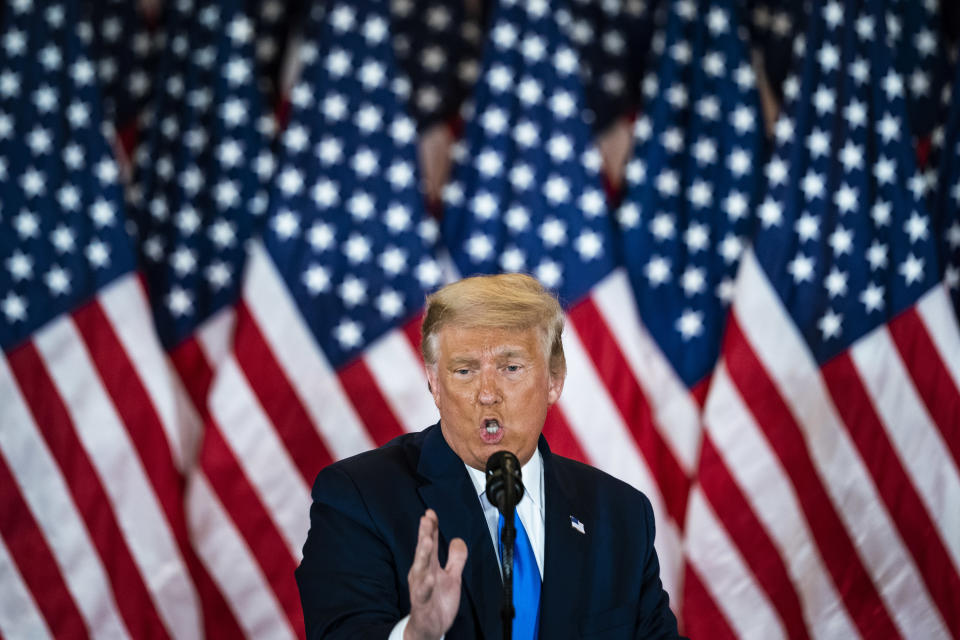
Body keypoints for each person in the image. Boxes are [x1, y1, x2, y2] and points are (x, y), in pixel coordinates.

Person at [296, 273, 683, 639]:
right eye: (464, 371)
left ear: (554, 378)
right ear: (434, 382)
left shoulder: (621, 514)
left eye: (511, 368)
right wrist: (417, 634)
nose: (487, 393)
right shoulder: (359, 499)